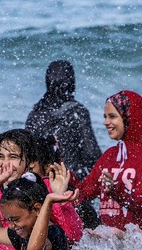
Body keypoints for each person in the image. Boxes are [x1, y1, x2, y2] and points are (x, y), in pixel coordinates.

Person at [75, 89, 142, 232]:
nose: (105, 122)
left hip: (137, 241)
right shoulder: (110, 155)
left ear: (129, 118)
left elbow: (141, 203)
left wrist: (115, 190)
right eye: (105, 116)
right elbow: (86, 192)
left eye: (112, 116)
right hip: (109, 243)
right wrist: (67, 181)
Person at [26, 61, 102, 193]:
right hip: (71, 185)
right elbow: (92, 154)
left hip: (42, 186)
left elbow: (28, 156)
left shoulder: (35, 115)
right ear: (72, 83)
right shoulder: (77, 111)